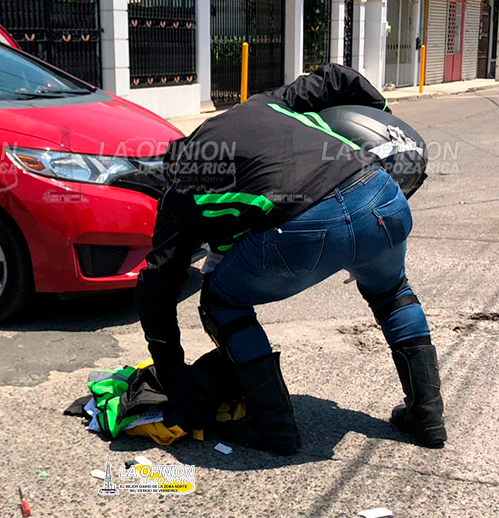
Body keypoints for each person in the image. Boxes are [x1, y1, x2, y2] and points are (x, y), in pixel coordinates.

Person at [136, 64, 446, 454]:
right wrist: (383, 117)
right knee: (393, 294)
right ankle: (427, 416)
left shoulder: (182, 184)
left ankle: (274, 426)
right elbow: (338, 77)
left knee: (220, 301)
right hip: (380, 195)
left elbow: (157, 283)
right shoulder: (264, 104)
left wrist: (169, 366)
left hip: (309, 225)